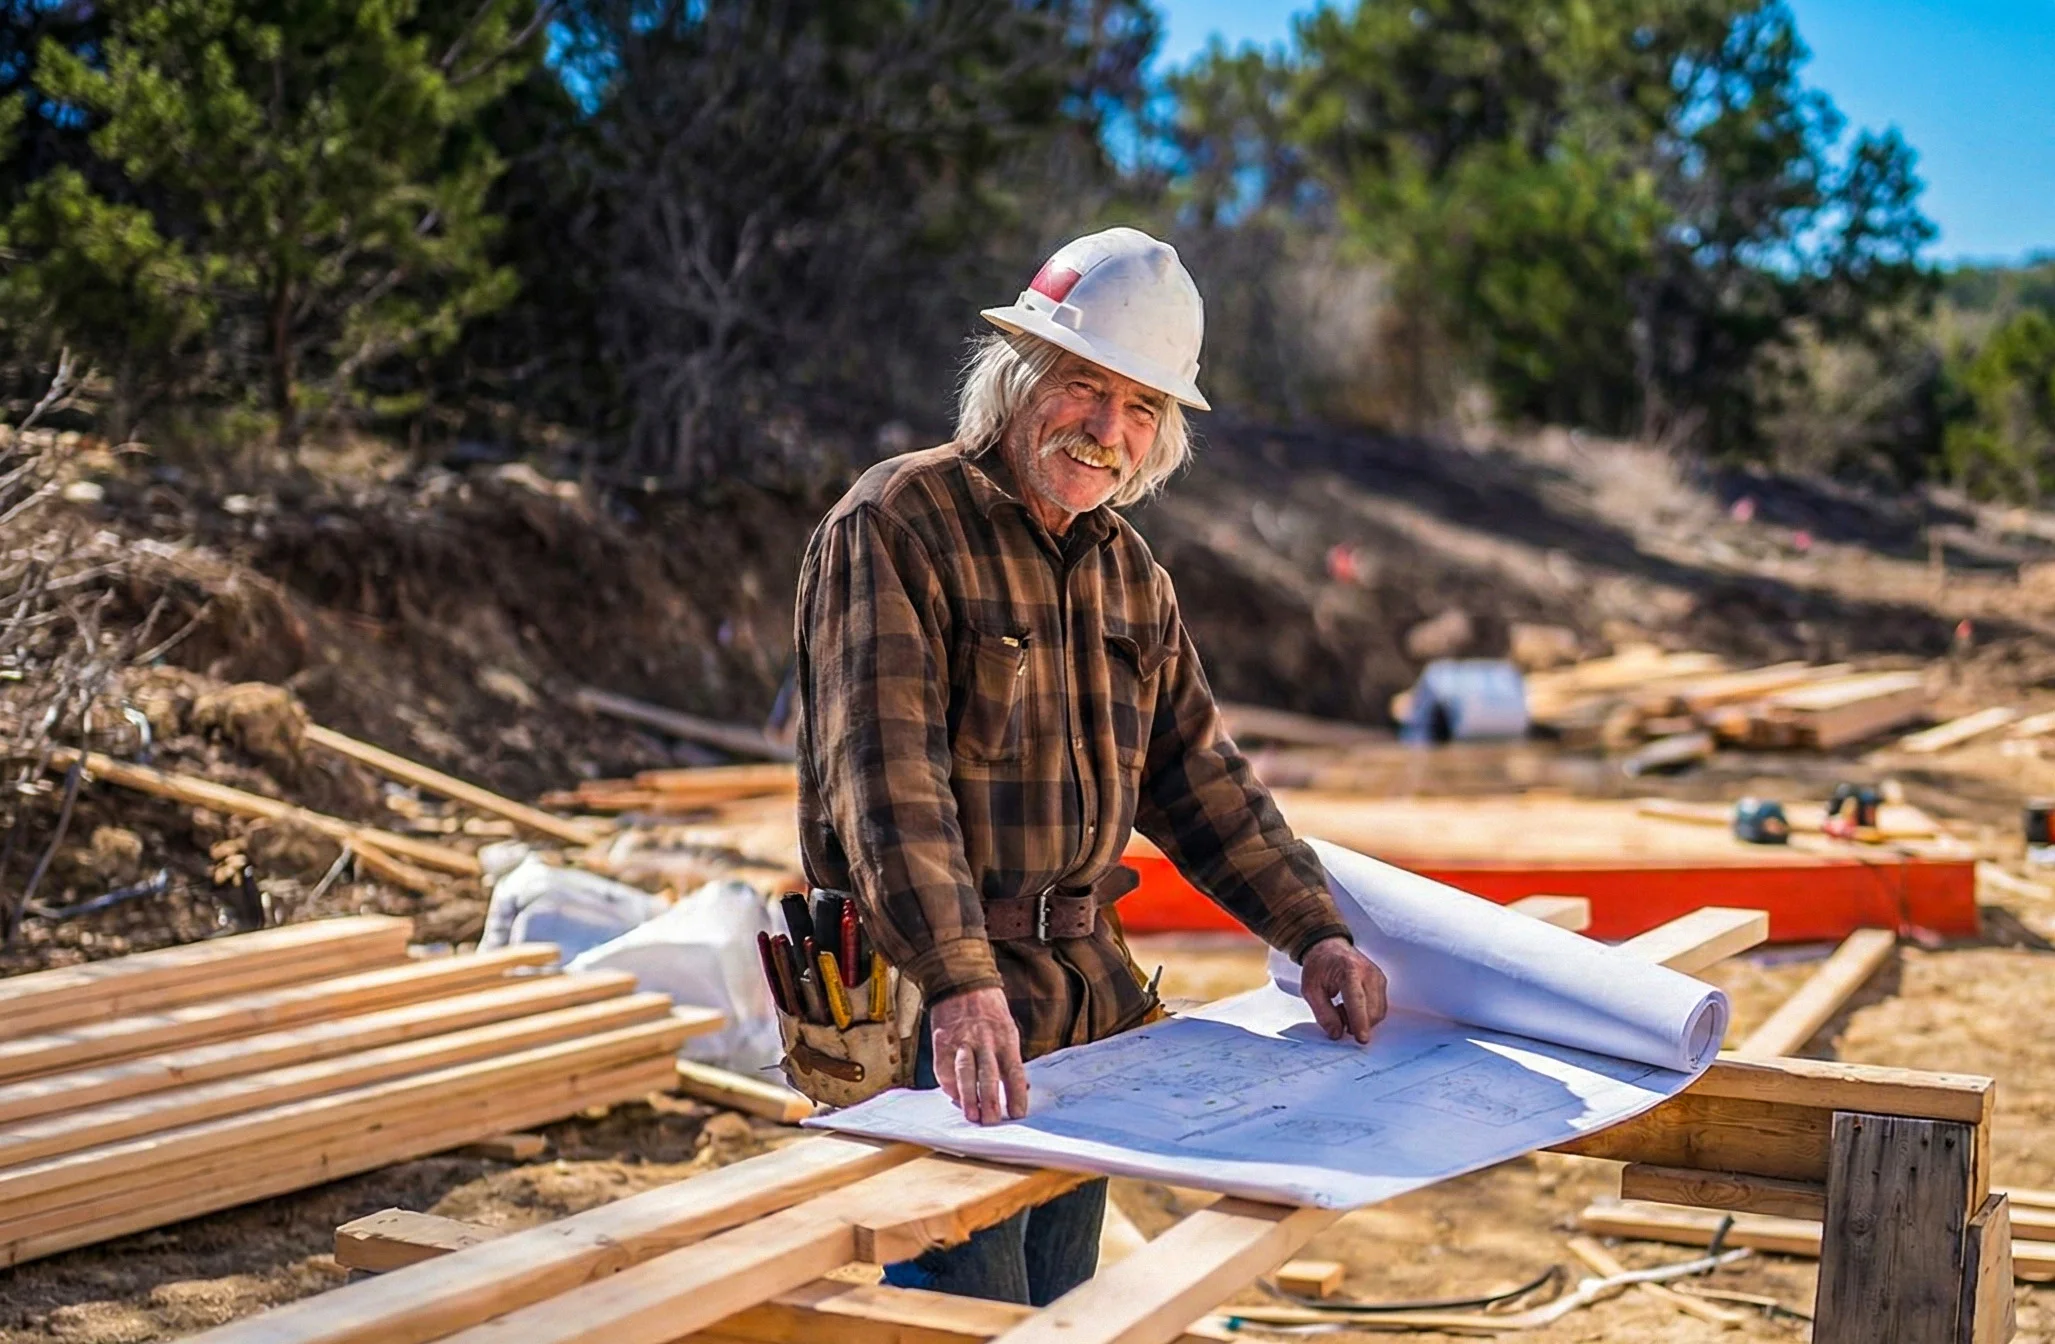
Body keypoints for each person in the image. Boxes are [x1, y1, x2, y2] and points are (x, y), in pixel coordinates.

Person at [792, 227, 1388, 1307]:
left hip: (1082, 1017)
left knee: (1062, 1315)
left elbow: (1200, 777)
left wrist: (1316, 931)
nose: (1106, 430)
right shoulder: (896, 524)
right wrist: (963, 986)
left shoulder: (1130, 576)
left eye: (1140, 408)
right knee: (963, 1320)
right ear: (1019, 377)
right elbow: (888, 791)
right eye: (1083, 386)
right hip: (937, 1018)